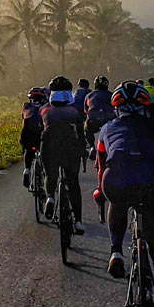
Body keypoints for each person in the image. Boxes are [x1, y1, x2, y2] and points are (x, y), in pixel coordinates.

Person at [93, 80, 154, 307]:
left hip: (117, 183)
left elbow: (101, 164)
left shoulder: (107, 128)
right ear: (147, 107)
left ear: (117, 109)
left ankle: (116, 251)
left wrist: (100, 192)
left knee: (117, 202)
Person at [41, 75, 86, 234]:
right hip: (70, 146)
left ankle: (50, 197)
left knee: (50, 174)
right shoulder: (74, 112)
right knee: (73, 183)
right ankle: (79, 221)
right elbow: (81, 135)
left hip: (49, 144)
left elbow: (41, 129)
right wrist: (83, 152)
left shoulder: (45, 109)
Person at [20, 86, 47, 187]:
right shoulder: (46, 106)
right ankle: (45, 172)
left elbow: (23, 119)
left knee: (28, 150)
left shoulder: (26, 106)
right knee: (44, 151)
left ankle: (26, 171)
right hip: (41, 133)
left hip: (27, 133)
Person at [83, 75, 114, 150]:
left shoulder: (89, 95)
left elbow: (85, 111)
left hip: (93, 121)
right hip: (109, 121)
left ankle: (91, 146)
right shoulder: (111, 95)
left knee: (87, 128)